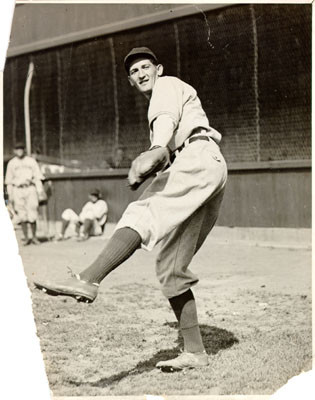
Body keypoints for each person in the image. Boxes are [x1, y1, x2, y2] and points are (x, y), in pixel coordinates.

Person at [34, 47, 228, 372]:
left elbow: (165, 127)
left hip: (197, 158)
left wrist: (154, 150)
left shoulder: (166, 86)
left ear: (159, 68)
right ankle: (194, 352)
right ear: (130, 81)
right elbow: (166, 149)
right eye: (134, 71)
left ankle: (89, 278)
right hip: (204, 165)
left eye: (145, 66)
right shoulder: (165, 100)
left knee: (140, 214)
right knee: (171, 267)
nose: (140, 73)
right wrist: (154, 160)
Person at [5, 142, 46, 245]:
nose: (19, 151)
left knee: (32, 212)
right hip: (18, 189)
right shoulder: (11, 163)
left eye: (21, 149)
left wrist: (40, 191)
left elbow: (38, 177)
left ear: (24, 150)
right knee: (22, 214)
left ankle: (34, 237)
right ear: (14, 151)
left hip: (30, 188)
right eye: (17, 149)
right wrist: (10, 196)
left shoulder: (31, 161)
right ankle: (26, 237)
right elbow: (9, 181)